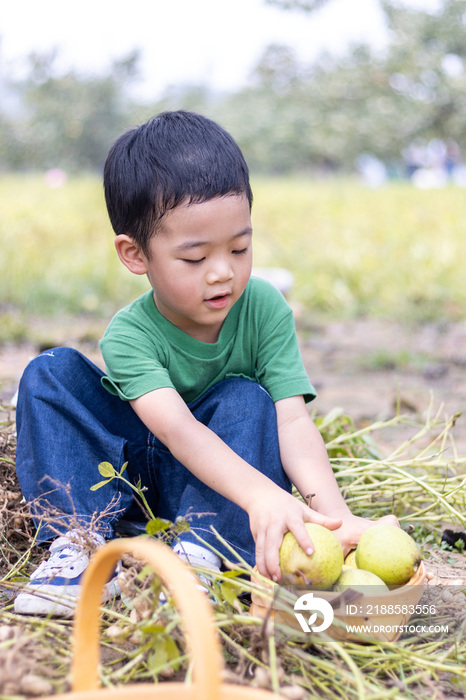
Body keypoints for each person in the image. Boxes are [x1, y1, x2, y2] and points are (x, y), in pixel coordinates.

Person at [14, 110, 397, 616]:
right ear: (135, 255)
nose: (223, 273)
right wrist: (265, 496)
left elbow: (293, 420)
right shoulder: (129, 335)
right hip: (128, 476)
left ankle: (203, 555)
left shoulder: (262, 309)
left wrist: (334, 516)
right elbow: (178, 432)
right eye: (195, 259)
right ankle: (79, 545)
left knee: (247, 398)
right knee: (49, 372)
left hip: (217, 495)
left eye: (240, 248)